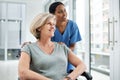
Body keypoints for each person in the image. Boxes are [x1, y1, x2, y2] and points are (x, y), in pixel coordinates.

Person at [18, 13, 86, 80]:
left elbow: (82, 65)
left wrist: (68, 78)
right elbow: (23, 73)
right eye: (49, 24)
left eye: (53, 24)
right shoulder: (28, 48)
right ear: (39, 28)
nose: (53, 27)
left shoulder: (62, 47)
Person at [49, 1, 82, 73]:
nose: (64, 14)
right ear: (52, 15)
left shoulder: (72, 25)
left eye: (65, 10)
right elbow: (45, 44)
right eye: (60, 12)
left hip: (69, 57)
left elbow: (73, 46)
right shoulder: (49, 26)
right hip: (52, 58)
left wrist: (62, 50)